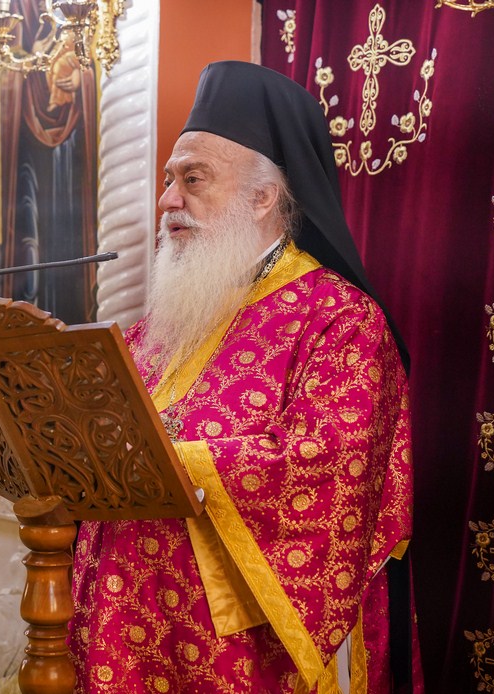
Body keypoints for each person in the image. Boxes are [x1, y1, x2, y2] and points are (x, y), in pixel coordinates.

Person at [68, 61, 421, 693]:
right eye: (169, 180)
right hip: (126, 616)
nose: (167, 200)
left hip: (241, 645)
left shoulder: (338, 319)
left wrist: (170, 460)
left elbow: (330, 469)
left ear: (263, 198)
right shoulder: (167, 319)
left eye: (193, 179)